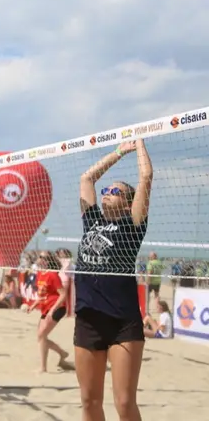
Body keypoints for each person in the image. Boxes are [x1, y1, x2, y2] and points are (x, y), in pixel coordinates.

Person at [75, 139, 153, 421]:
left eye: (115, 192)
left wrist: (140, 141)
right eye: (106, 190)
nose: (106, 193)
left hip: (122, 321)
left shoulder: (132, 226)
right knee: (89, 401)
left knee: (123, 402)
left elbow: (145, 176)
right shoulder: (91, 219)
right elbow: (87, 177)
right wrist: (120, 150)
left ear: (128, 202)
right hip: (88, 317)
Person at [27, 251, 70, 373]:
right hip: (46, 308)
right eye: (39, 256)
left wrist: (53, 309)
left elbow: (63, 294)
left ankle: (43, 368)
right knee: (41, 337)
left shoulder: (52, 275)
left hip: (57, 308)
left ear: (48, 260)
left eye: (43, 257)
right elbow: (42, 295)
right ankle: (62, 353)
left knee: (41, 336)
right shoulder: (40, 274)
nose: (39, 259)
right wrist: (32, 305)